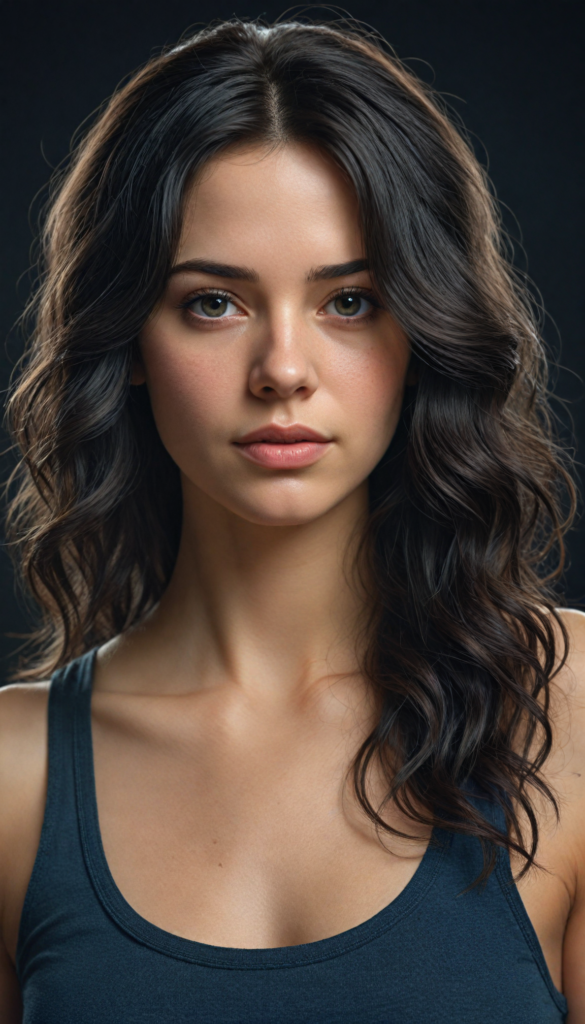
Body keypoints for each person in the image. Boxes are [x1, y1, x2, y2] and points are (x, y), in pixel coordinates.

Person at [0, 18, 583, 1023]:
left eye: (349, 301)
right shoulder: (14, 777)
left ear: (425, 327)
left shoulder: (572, 715)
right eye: (213, 303)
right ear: (129, 337)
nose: (282, 369)